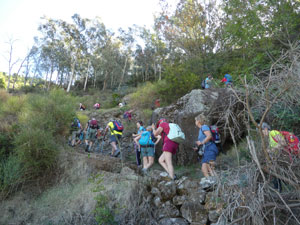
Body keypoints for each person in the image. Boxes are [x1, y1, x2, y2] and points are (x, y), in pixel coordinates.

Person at [194, 114, 219, 182]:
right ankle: (210, 181)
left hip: (210, 148)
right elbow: (205, 139)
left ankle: (218, 182)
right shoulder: (201, 129)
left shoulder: (204, 127)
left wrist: (201, 142)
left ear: (199, 121)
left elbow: (209, 136)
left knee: (210, 168)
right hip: (206, 150)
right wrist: (198, 146)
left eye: (195, 120)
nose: (195, 122)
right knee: (204, 167)